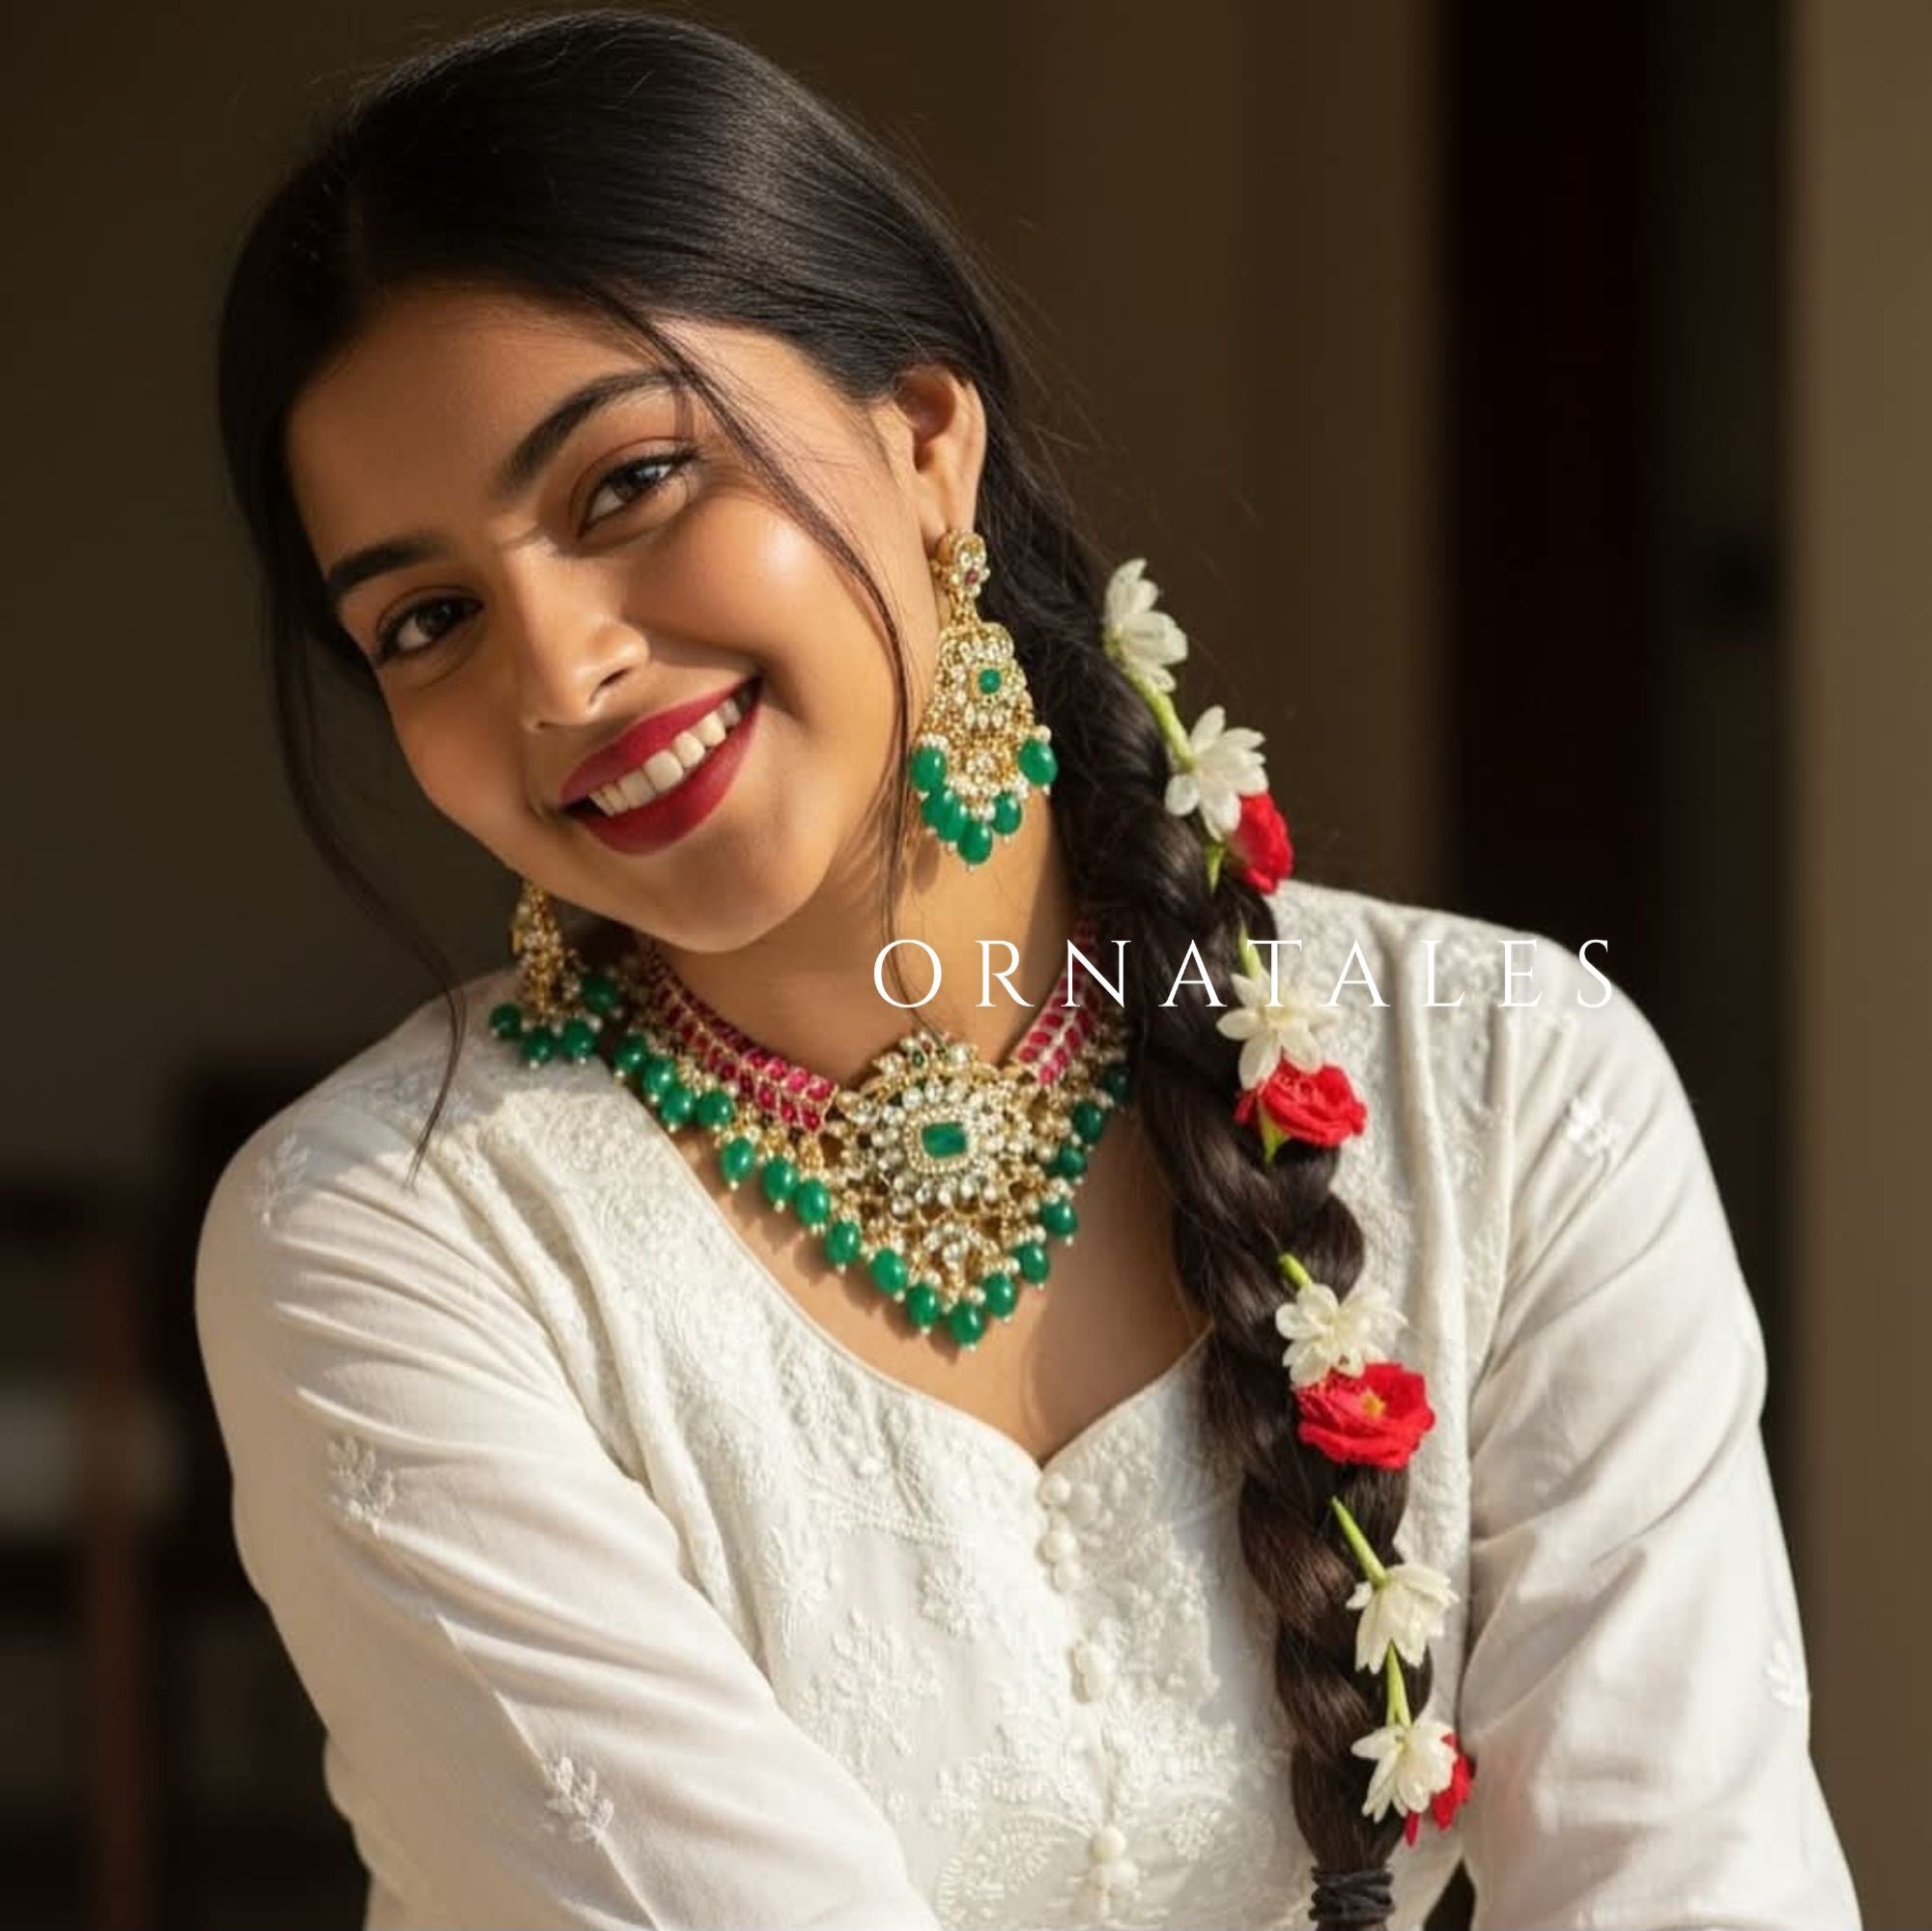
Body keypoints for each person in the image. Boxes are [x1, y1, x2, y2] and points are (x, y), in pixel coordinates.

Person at [193, 12, 1861, 1930]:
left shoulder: (1507, 1086)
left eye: (627, 485)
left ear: (921, 443)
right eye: (426, 616)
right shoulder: (399, 1235)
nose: (556, 672)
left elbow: (1691, 1881)